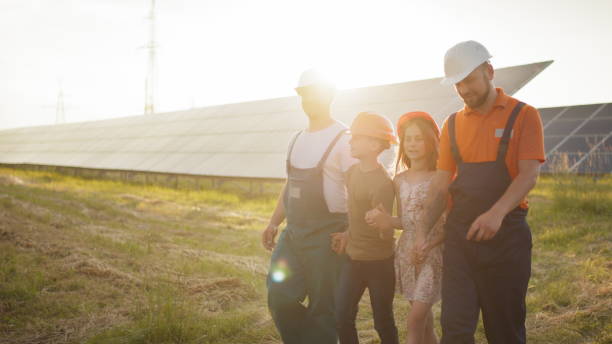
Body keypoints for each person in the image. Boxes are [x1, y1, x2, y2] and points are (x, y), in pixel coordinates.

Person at [415, 40, 545, 343]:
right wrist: (422, 230)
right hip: (460, 240)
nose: (464, 90)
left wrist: (496, 214)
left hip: (506, 240)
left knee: (504, 330)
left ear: (489, 71)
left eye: (469, 80)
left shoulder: (524, 115)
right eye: (457, 84)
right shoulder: (452, 125)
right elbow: (440, 183)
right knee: (455, 329)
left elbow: (529, 174)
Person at [262, 69, 358, 344]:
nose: (309, 101)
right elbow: (290, 186)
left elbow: (357, 191)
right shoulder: (297, 139)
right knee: (279, 296)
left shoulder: (344, 138)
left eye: (315, 94)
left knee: (323, 308)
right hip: (294, 234)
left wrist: (351, 231)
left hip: (328, 237)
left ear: (330, 95)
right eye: (304, 95)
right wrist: (273, 222)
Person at [366, 111, 445, 344]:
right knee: (425, 324)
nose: (412, 144)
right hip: (407, 255)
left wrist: (429, 245)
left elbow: (447, 221)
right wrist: (385, 220)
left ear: (431, 142)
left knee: (414, 320)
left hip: (431, 255)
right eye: (408, 139)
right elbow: (402, 220)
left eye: (419, 138)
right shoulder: (398, 180)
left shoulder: (439, 178)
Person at [331, 112, 400, 344]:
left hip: (379, 263)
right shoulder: (351, 174)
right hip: (353, 260)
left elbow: (386, 232)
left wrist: (382, 224)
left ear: (374, 144)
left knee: (382, 320)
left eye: (356, 137)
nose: (350, 142)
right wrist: (347, 234)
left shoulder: (382, 184)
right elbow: (356, 215)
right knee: (342, 316)